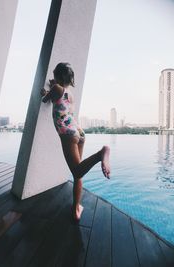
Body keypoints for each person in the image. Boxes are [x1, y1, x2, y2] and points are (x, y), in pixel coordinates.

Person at [41, 62, 110, 221]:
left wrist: (45, 91)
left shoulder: (56, 89)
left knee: (77, 171)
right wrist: (52, 88)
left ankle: (101, 153)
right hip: (79, 132)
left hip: (68, 133)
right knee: (78, 174)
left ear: (57, 76)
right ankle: (75, 209)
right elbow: (59, 101)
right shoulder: (69, 93)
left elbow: (45, 99)